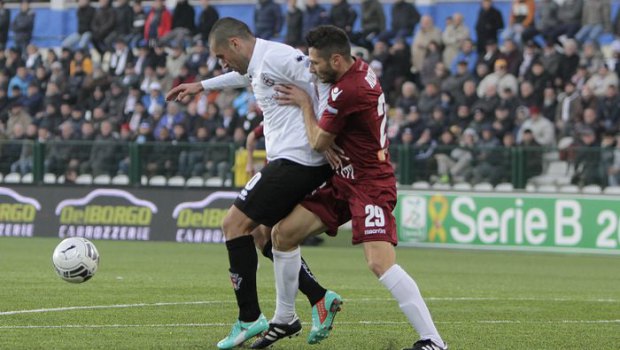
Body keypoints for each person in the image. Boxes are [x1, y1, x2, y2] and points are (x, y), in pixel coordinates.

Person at [254, 25, 446, 350]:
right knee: (282, 234)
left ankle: (434, 342)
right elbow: (325, 134)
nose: (311, 69)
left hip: (369, 184)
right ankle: (285, 317)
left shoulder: (350, 90)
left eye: (315, 63)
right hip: (343, 179)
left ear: (338, 60)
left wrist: (303, 104)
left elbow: (317, 141)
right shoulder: (354, 73)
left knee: (379, 262)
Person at [165, 18, 339, 350]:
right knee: (261, 233)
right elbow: (241, 76)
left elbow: (325, 81)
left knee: (233, 224)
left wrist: (328, 135)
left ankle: (249, 318)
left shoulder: (278, 57)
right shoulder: (258, 63)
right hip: (289, 159)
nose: (222, 63)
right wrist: (202, 85)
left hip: (299, 158)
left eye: (221, 56)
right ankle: (319, 298)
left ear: (235, 44)